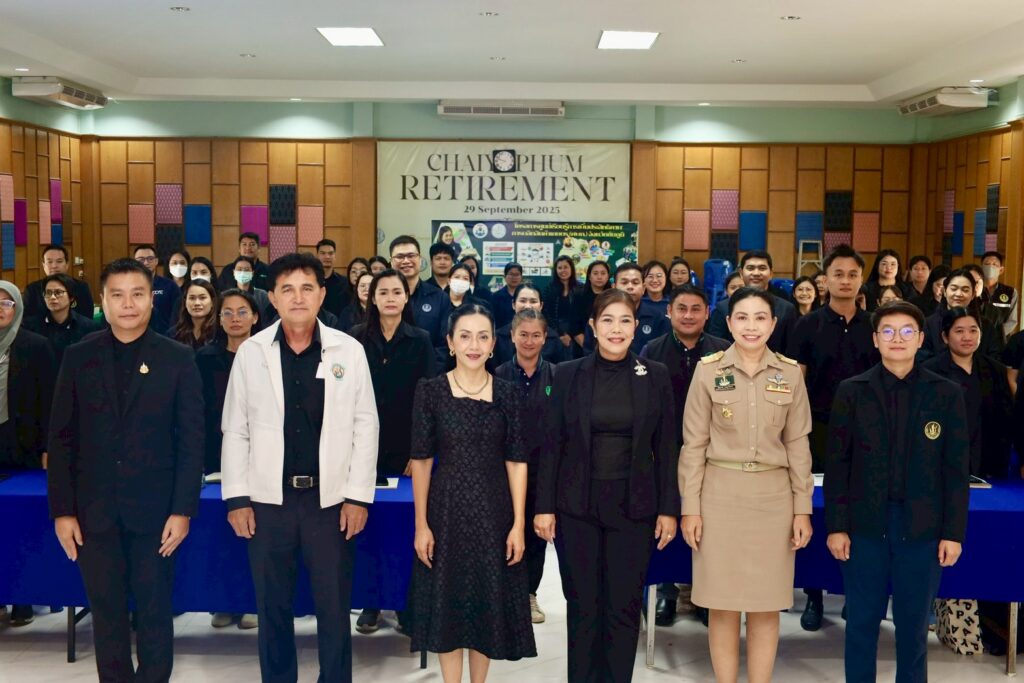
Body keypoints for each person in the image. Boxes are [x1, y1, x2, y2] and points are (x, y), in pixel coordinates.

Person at [221, 252, 379, 683]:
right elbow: (235, 429)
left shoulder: (348, 350)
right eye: (287, 289)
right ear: (272, 297)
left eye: (307, 288)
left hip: (330, 502)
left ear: (322, 294)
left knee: (334, 606)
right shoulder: (251, 352)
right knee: (272, 606)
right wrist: (237, 498)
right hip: (268, 502)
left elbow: (366, 426)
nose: (297, 297)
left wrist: (357, 497)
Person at [47, 258, 204, 682]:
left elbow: (191, 442)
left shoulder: (177, 358)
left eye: (137, 294)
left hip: (157, 514)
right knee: (107, 614)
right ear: (103, 301)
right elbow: (61, 440)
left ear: (152, 299)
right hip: (93, 513)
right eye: (117, 295)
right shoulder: (78, 357)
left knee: (155, 612)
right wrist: (62, 511)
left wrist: (182, 510)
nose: (128, 304)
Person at [535, 288, 678, 682]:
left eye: (625, 321)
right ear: (594, 326)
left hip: (634, 506)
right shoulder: (568, 374)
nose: (617, 329)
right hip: (577, 505)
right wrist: (544, 507)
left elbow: (667, 447)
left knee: (623, 606)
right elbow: (551, 445)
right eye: (608, 321)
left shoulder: (655, 375)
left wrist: (669, 508)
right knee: (583, 605)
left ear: (636, 327)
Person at [825, 301, 970, 683]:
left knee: (913, 627)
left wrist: (953, 533)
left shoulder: (946, 393)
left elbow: (956, 472)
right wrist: (837, 526)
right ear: (875, 339)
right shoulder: (852, 391)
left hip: (922, 527)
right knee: (861, 622)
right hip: (864, 526)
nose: (897, 339)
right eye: (888, 331)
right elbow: (837, 467)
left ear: (921, 339)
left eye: (907, 331)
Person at [680, 287, 814, 683]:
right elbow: (693, 445)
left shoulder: (790, 373)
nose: (751, 326)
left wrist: (802, 509)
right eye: (742, 317)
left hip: (773, 501)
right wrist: (691, 508)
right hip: (719, 498)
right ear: (728, 322)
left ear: (773, 324)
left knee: (765, 605)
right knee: (721, 604)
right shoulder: (708, 371)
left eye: (760, 318)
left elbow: (798, 445)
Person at [408, 304, 536, 679]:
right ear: (450, 342)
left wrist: (518, 524)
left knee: (485, 608)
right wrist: (421, 524)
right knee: (448, 609)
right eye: (465, 337)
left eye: (483, 337)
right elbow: (421, 461)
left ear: (494, 343)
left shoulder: (508, 394)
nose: (474, 345)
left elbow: (517, 462)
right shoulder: (430, 391)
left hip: (493, 515)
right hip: (445, 513)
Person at [787, 245, 878, 631]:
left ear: (861, 279)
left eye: (852, 274)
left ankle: (854, 592)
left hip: (866, 433)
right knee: (818, 510)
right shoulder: (807, 325)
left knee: (861, 512)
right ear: (825, 279)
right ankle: (813, 595)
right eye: (838, 274)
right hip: (818, 431)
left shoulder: (874, 325)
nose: (845, 280)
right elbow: (796, 381)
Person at [349, 269, 435, 635]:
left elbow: (428, 399)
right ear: (372, 298)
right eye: (382, 292)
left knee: (402, 530)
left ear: (405, 297)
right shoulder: (354, 339)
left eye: (396, 292)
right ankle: (371, 603)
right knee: (368, 529)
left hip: (405, 451)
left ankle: (404, 605)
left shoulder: (420, 340)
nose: (389, 298)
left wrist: (419, 451)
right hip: (362, 449)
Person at [640, 283, 729, 627]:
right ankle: (667, 592)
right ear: (669, 312)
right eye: (682, 309)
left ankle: (704, 594)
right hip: (667, 451)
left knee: (709, 523)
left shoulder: (724, 351)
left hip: (714, 452)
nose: (688, 315)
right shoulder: (652, 350)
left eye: (695, 309)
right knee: (669, 520)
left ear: (707, 313)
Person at [195, 288, 260, 629]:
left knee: (255, 534)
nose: (235, 319)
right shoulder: (204, 358)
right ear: (218, 319)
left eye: (242, 312)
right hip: (215, 454)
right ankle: (223, 602)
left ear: (256, 317)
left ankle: (252, 603)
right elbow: (197, 409)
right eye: (228, 313)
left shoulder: (265, 356)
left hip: (259, 456)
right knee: (221, 533)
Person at [495, 309, 558, 626]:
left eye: (535, 335)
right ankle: (504, 596)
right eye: (523, 334)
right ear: (512, 336)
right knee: (503, 532)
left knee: (535, 537)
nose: (529, 341)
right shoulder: (498, 375)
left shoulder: (557, 376)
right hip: (504, 471)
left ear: (545, 338)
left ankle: (529, 595)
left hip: (542, 471)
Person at [0, 281, 55, 627]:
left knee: (20, 522)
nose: (0, 309)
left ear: (18, 308)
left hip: (23, 445)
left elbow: (50, 399)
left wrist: (50, 445)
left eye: (6, 303)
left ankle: (23, 598)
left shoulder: (35, 345)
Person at [923, 307, 1014, 480]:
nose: (967, 337)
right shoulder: (929, 372)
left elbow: (1005, 417)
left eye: (973, 330)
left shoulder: (996, 370)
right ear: (945, 337)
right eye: (959, 331)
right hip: (941, 464)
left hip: (987, 462)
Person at [708, 251, 796, 351]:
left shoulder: (786, 309)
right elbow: (716, 347)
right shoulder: (723, 308)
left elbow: (791, 349)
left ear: (771, 274)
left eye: (762, 268)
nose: (756, 273)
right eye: (750, 268)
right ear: (741, 273)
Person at [922, 268, 1004, 360]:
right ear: (944, 291)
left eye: (965, 290)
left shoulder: (986, 325)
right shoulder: (929, 324)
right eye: (953, 289)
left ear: (973, 294)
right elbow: (923, 358)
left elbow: (995, 358)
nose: (958, 294)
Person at [22, 273, 102, 365]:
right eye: (48, 293)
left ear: (71, 297)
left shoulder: (90, 328)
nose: (52, 297)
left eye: (58, 292)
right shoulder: (29, 327)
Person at [493, 282, 571, 367]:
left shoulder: (553, 338)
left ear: (541, 306)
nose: (528, 306)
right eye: (522, 301)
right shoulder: (498, 337)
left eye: (533, 301)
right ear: (513, 304)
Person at [391, 236, 447, 347]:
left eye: (411, 256)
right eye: (400, 257)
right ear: (391, 262)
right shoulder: (382, 297)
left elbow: (445, 344)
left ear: (420, 259)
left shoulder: (440, 297)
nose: (406, 261)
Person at [22, 244, 95, 320]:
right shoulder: (32, 289)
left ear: (67, 264)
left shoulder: (81, 287)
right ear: (43, 265)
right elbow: (27, 319)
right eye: (50, 262)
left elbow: (87, 318)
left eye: (59, 261)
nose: (54, 266)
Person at [133, 244, 181, 334]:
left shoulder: (170, 286)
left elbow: (178, 316)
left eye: (150, 259)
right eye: (141, 260)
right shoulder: (128, 287)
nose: (146, 263)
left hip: (164, 337)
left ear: (156, 261)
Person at [543, 255, 581, 353]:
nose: (562, 270)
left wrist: (570, 334)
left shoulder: (580, 288)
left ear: (571, 269)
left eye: (565, 267)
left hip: (576, 332)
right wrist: (560, 334)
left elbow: (581, 315)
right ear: (556, 270)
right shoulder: (549, 288)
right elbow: (546, 313)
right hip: (554, 330)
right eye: (559, 268)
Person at [169, 280, 219, 350]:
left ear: (212, 302)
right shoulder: (173, 334)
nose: (197, 303)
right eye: (192, 298)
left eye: (202, 298)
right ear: (185, 302)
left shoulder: (220, 333)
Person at [980, 251, 1019, 338]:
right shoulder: (975, 290)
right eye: (987, 264)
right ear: (981, 268)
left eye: (994, 264)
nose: (990, 267)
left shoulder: (1011, 292)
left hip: (1001, 340)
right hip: (977, 338)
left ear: (1001, 270)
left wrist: (996, 334)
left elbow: (1012, 321)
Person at [573, 260, 612, 347]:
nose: (599, 277)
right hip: (583, 345)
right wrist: (588, 348)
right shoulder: (579, 296)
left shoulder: (613, 297)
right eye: (595, 273)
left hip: (609, 344)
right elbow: (574, 327)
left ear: (608, 277)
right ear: (589, 277)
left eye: (603, 273)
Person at [226, 255, 273, 321]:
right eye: (239, 269)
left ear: (252, 273)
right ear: (234, 272)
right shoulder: (226, 296)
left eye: (247, 270)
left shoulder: (262, 295)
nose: (243, 272)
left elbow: (269, 319)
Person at [317, 239, 351, 318]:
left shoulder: (345, 283)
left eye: (330, 253)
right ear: (317, 255)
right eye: (323, 253)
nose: (327, 257)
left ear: (335, 256)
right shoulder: (312, 282)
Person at [490, 262, 523, 330]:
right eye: (511, 274)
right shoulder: (496, 296)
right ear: (505, 276)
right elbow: (493, 319)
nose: (514, 277)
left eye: (517, 274)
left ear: (521, 277)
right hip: (501, 333)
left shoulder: (525, 295)